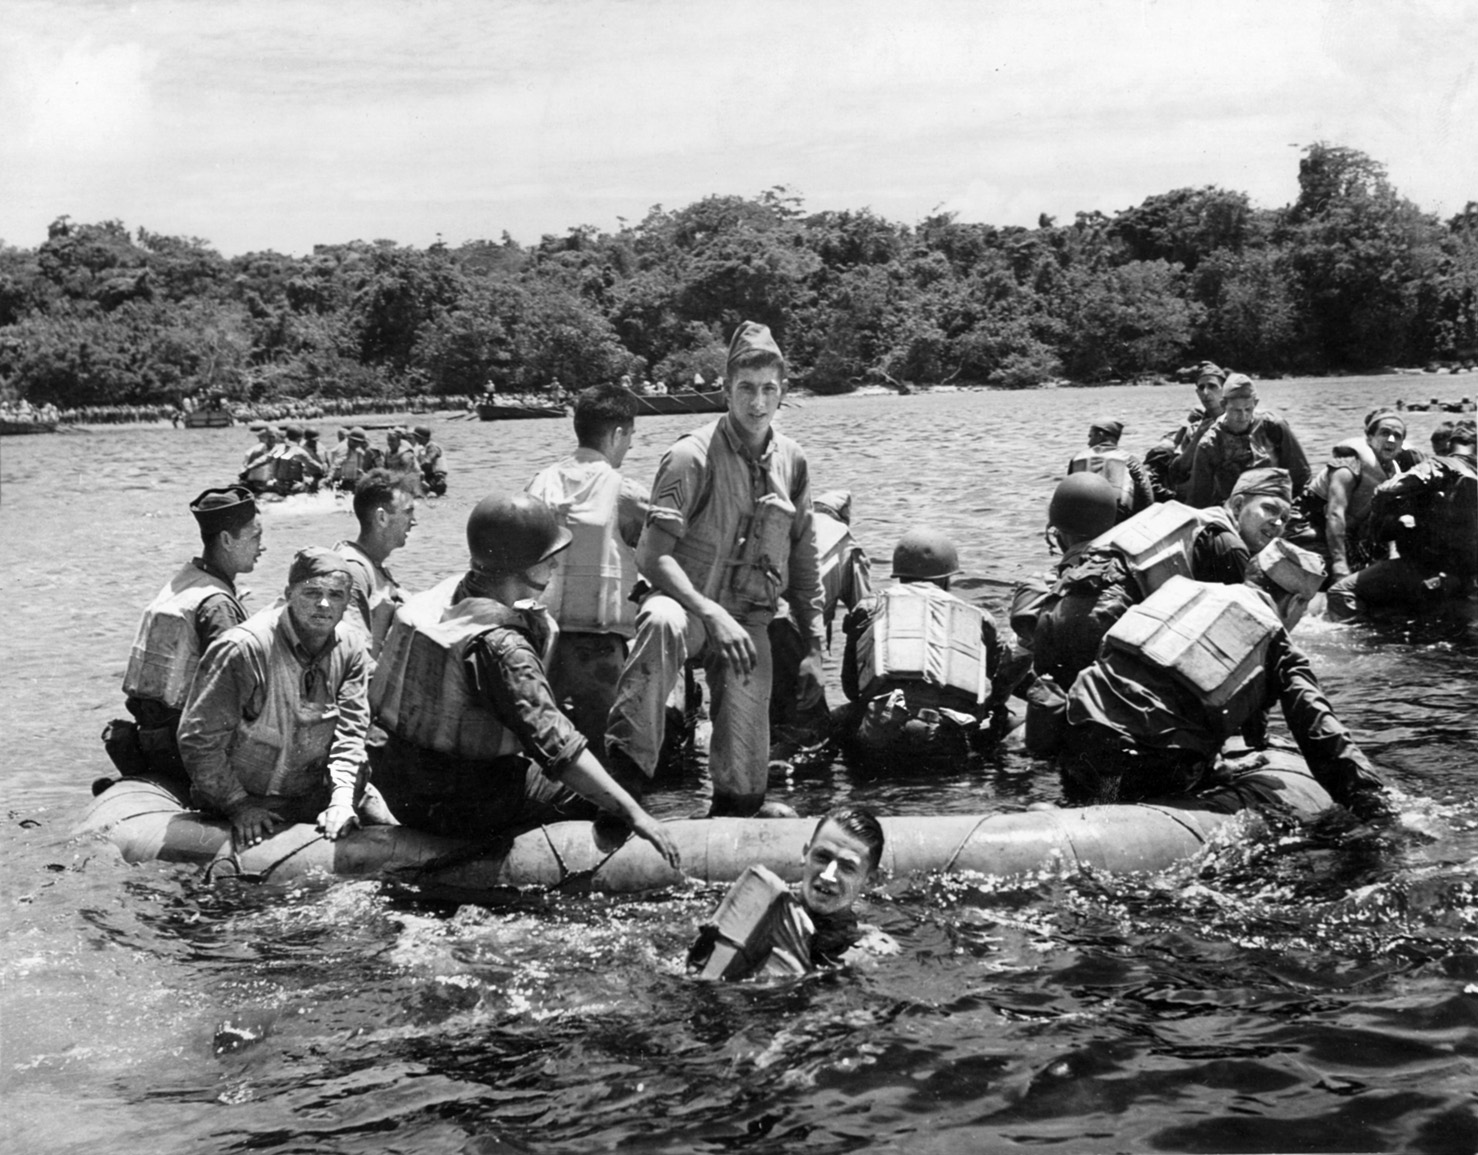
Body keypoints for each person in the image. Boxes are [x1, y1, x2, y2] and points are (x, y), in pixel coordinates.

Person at [366, 494, 680, 865]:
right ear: (527, 566)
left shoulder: (440, 598)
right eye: (550, 559)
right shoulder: (502, 647)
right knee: (599, 796)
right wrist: (635, 814)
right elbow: (558, 749)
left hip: (400, 784)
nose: (555, 566)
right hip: (458, 806)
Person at [604, 321, 825, 817]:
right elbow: (651, 556)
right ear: (725, 389)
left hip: (747, 624)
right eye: (745, 389)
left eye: (769, 389)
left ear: (782, 392)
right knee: (660, 621)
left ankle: (732, 811)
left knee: (746, 794)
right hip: (687, 610)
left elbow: (804, 558)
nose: (757, 402)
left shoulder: (793, 461)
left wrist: (813, 647)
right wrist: (709, 612)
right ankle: (624, 783)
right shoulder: (689, 457)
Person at [1059, 540, 1394, 822]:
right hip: (1146, 766)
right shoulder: (1276, 639)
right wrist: (1372, 802)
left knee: (1103, 786)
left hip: (1079, 742)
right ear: (1295, 602)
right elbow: (1320, 730)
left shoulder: (1181, 590)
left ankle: (1084, 808)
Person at [1031, 467, 1297, 695]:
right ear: (1238, 505)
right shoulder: (1228, 545)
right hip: (1103, 620)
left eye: (1285, 518)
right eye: (1270, 509)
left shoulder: (1188, 519)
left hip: (1056, 611)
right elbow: (1233, 640)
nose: (1277, 522)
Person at [177, 548, 378, 847]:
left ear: (348, 601)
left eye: (336, 595)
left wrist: (341, 799)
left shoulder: (351, 647)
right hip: (248, 798)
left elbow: (351, 732)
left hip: (312, 792)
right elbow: (198, 738)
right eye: (312, 593)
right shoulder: (244, 649)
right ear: (289, 594)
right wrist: (238, 805)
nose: (324, 604)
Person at [105, 486, 266, 797]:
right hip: (188, 748)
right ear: (227, 540)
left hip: (154, 739)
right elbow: (246, 695)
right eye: (256, 537)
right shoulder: (217, 604)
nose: (262, 548)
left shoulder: (184, 584)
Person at [524, 384, 648, 757]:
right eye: (630, 437)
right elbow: (671, 551)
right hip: (599, 646)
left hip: (540, 642)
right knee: (609, 749)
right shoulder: (625, 493)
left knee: (546, 747)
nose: (629, 447)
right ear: (618, 433)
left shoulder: (538, 483)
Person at [837, 529, 1017, 768]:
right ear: (946, 577)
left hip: (882, 731)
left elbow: (851, 688)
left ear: (899, 575)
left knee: (832, 722)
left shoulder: (870, 606)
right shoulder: (978, 617)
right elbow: (999, 680)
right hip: (947, 737)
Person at [686, 805, 895, 980]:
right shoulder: (755, 909)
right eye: (822, 857)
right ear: (805, 853)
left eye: (847, 867)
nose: (829, 875)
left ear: (870, 879)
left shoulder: (868, 949)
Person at [1325, 422, 1477, 621]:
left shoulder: (1438, 465)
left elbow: (1386, 490)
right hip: (1467, 574)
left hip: (1426, 566)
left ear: (1450, 446)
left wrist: (1393, 517)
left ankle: (1363, 647)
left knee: (1339, 592)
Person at [768, 489, 873, 759]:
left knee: (769, 715)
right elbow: (866, 613)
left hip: (762, 616)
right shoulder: (845, 542)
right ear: (844, 517)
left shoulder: (798, 525)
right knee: (812, 733)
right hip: (794, 627)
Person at [1291, 409, 1406, 580]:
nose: (1391, 439)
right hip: (1305, 524)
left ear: (1401, 444)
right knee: (1332, 567)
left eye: (1397, 436)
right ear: (1369, 438)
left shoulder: (1394, 474)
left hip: (1344, 532)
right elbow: (1335, 514)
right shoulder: (1348, 465)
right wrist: (1339, 563)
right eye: (1385, 433)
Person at [1188, 374, 1311, 508]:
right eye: (1236, 410)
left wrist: (1294, 510)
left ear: (1256, 403)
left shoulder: (1274, 426)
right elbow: (1199, 497)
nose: (1243, 416)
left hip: (1278, 505)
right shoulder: (1209, 444)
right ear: (1223, 405)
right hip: (1235, 511)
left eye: (1248, 409)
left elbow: (1301, 474)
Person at [334, 469, 418, 658]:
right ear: (382, 518)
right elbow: (352, 655)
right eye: (407, 512)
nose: (414, 521)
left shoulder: (375, 567)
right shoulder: (353, 570)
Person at [1145, 361, 1228, 501]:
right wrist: (1197, 439)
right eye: (1201, 388)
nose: (1205, 392)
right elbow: (1177, 472)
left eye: (1212, 386)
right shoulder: (1194, 430)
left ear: (1224, 389)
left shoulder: (1239, 420)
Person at [1065, 418, 1158, 521]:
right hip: (1117, 519)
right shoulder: (1130, 460)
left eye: (1091, 436)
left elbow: (1066, 493)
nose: (1089, 443)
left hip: (1082, 519)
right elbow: (1147, 497)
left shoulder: (1077, 459)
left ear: (1100, 435)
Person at [413, 424, 448, 496]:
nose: (415, 440)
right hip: (431, 478)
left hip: (436, 480)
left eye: (417, 437)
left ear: (422, 438)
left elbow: (427, 462)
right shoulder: (423, 448)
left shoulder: (432, 447)